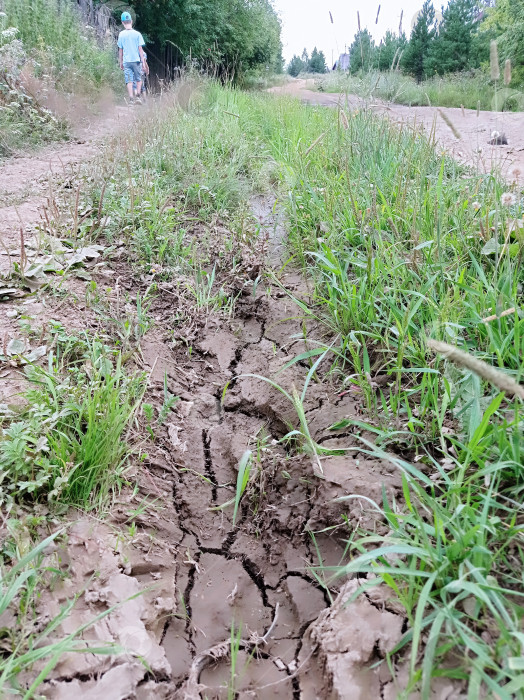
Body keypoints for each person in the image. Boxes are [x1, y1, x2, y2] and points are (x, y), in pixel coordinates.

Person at [117, 11, 146, 105]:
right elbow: (140, 49)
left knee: (129, 80)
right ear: (131, 21)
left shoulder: (121, 34)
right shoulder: (137, 34)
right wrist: (143, 63)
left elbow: (120, 50)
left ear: (122, 23)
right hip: (136, 61)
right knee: (138, 79)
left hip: (126, 62)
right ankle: (138, 96)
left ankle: (131, 99)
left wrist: (120, 62)